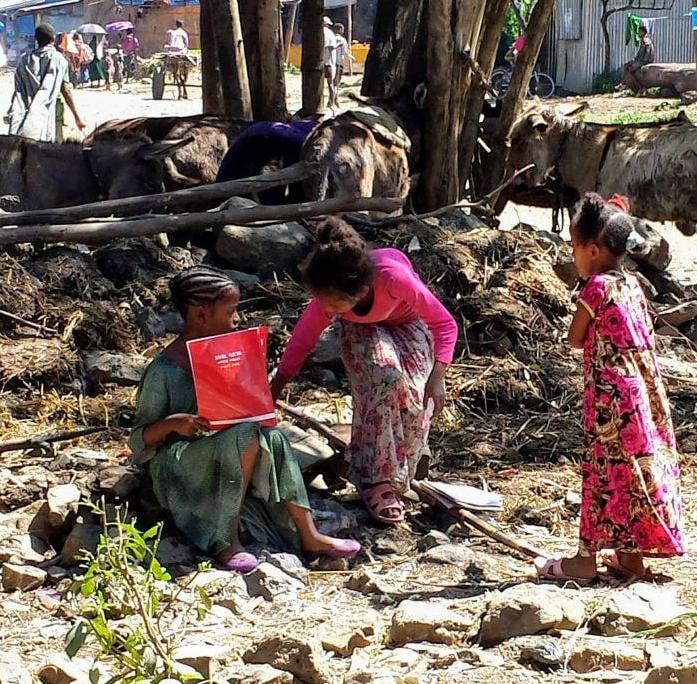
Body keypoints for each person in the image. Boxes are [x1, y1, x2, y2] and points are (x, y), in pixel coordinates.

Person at [129, 267, 362, 572]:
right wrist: (173, 423)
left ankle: (309, 534)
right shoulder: (164, 370)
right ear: (200, 315)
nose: (236, 319)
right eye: (230, 312)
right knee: (243, 436)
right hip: (179, 462)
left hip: (229, 445)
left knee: (274, 436)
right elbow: (138, 440)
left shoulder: (228, 356)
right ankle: (226, 540)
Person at [535, 193, 685, 583]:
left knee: (603, 473)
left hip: (611, 400)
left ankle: (584, 560)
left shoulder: (596, 289)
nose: (574, 256)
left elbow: (574, 338)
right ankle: (629, 558)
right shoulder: (633, 284)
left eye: (575, 248)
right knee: (631, 473)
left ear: (595, 250)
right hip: (643, 397)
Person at [272, 218, 458, 525]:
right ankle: (376, 480)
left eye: (332, 304)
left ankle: (405, 465)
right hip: (361, 330)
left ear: (358, 292)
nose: (326, 310)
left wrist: (437, 379)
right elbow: (301, 342)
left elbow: (444, 324)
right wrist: (274, 390)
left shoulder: (393, 278)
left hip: (406, 323)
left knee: (413, 394)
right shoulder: (329, 297)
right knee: (384, 376)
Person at [6, 23, 85, 142]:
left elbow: (19, 88)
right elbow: (66, 90)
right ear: (53, 40)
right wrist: (77, 118)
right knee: (50, 150)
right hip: (53, 110)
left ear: (36, 39)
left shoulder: (25, 59)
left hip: (22, 112)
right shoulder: (58, 60)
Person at [621, 25, 655, 93]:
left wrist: (639, 61)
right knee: (626, 65)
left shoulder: (646, 41)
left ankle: (639, 87)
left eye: (639, 32)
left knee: (630, 69)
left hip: (644, 61)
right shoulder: (645, 40)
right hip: (642, 60)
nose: (638, 33)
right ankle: (623, 83)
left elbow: (646, 54)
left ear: (643, 32)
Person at [322, 17, 342, 109]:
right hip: (328, 62)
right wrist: (339, 45)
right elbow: (331, 47)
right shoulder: (329, 33)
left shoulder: (317, 32)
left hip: (319, 62)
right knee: (330, 83)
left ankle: (323, 102)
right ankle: (332, 102)